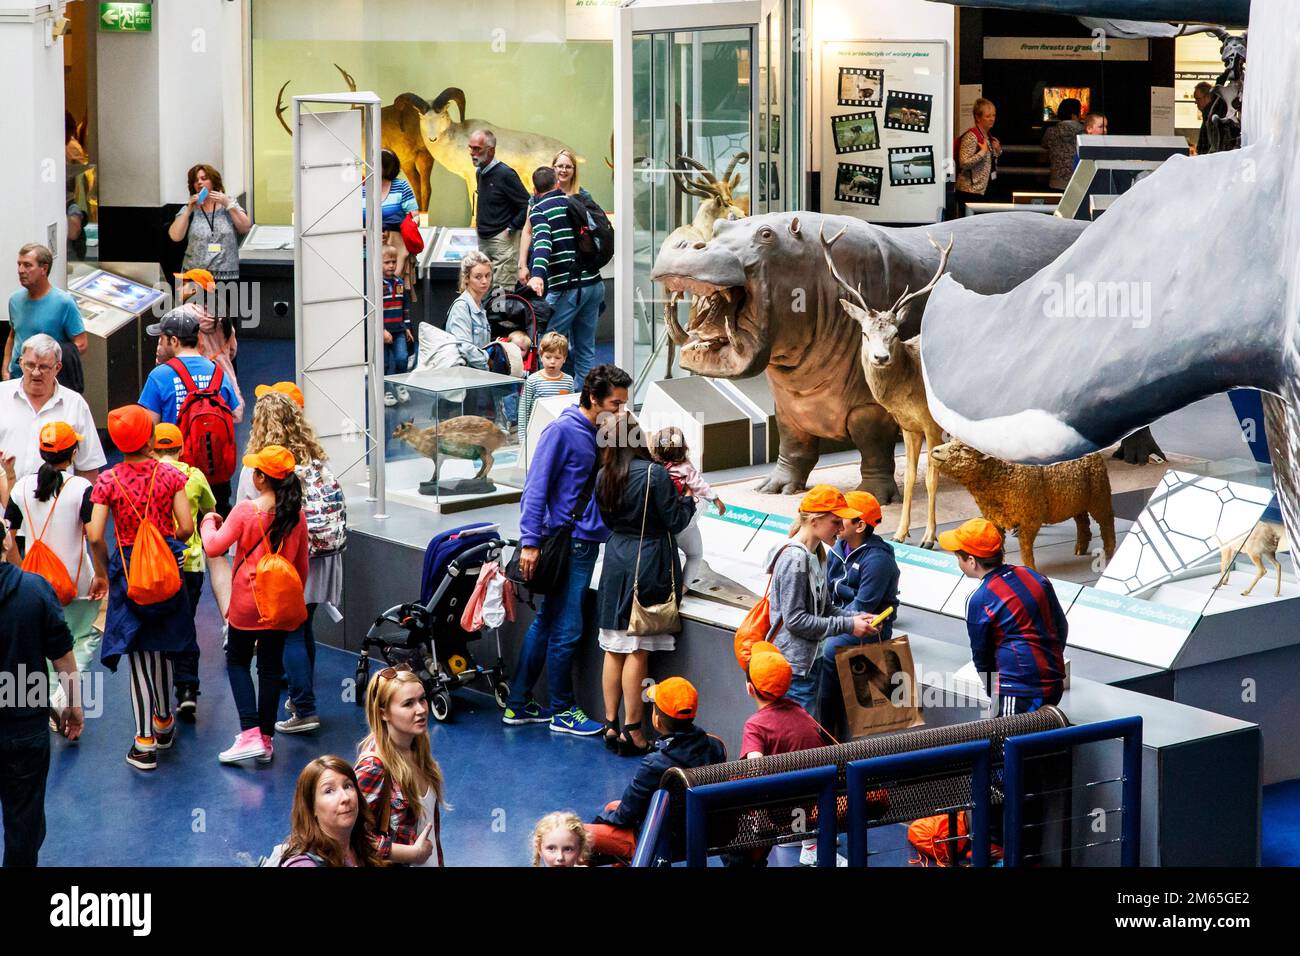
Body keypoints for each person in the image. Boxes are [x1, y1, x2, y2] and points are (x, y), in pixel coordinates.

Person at [505, 364, 631, 736]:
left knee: (547, 622)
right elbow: (536, 488)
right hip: (568, 544)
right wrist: (529, 542)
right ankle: (562, 710)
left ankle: (518, 703)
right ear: (593, 398)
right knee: (567, 628)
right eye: (614, 403)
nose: (621, 411)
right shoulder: (562, 431)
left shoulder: (605, 431)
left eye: (624, 404)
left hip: (584, 542)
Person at [86, 405, 196, 772]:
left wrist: (104, 568)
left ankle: (144, 742)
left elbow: (94, 533)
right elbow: (185, 526)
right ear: (149, 439)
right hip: (167, 568)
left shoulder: (107, 481)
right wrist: (165, 541)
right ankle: (164, 722)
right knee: (164, 645)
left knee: (139, 654)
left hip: (129, 572)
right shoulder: (169, 476)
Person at [235, 384, 343, 737]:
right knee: (304, 626)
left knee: (291, 632)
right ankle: (300, 700)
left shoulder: (262, 468)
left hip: (285, 564)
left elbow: (244, 517)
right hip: (324, 556)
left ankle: (305, 708)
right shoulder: (315, 457)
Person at [200, 445, 308, 765]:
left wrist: (208, 520)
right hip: (279, 605)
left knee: (237, 661)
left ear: (260, 479)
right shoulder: (296, 515)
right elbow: (301, 568)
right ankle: (265, 737)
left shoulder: (247, 511)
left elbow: (214, 546)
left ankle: (248, 734)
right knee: (271, 669)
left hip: (248, 604)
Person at [595, 419, 695, 756]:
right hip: (648, 559)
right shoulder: (655, 474)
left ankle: (609, 723)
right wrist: (689, 499)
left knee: (613, 647)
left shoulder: (603, 474)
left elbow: (606, 520)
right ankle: (634, 730)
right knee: (637, 647)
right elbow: (675, 520)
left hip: (616, 556)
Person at [3, 422, 106, 735]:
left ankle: (51, 700)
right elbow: (93, 536)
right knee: (86, 637)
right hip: (78, 582)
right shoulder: (81, 489)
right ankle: (64, 697)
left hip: (36, 583)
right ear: (73, 452)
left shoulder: (21, 488)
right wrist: (102, 574)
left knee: (45, 646)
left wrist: (22, 573)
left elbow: (11, 536)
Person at [0, 516, 82, 866]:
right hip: (23, 727)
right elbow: (62, 657)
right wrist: (72, 707)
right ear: (5, 542)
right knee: (25, 820)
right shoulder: (34, 590)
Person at [586, 677, 726, 865]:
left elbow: (625, 816)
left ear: (657, 720)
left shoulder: (655, 764)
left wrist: (600, 821)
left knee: (571, 835)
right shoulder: (715, 745)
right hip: (703, 832)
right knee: (612, 805)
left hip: (658, 839)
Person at [938, 518, 1068, 714]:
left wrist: (995, 694)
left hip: (1017, 692)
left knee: (1006, 743)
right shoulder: (1033, 576)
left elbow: (982, 656)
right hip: (1054, 683)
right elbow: (1061, 626)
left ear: (972, 561)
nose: (958, 561)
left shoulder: (980, 598)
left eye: (959, 557)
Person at [766, 485, 877, 712]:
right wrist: (848, 625)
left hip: (808, 662)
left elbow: (824, 608)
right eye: (836, 522)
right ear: (814, 521)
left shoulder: (817, 555)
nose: (840, 529)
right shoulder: (796, 560)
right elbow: (795, 620)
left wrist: (856, 618)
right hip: (794, 669)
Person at [139, 308, 242, 515]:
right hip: (214, 470)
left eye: (162, 339)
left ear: (174, 341)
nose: (159, 344)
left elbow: (147, 429)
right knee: (215, 530)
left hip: (174, 474)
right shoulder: (217, 372)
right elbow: (233, 411)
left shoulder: (159, 376)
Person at [739, 642, 832, 867]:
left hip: (780, 813)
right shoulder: (801, 712)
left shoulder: (755, 725)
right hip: (816, 802)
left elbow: (755, 771)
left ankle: (783, 835)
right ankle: (806, 839)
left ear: (750, 689)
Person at [818, 491, 898, 740]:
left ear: (861, 525)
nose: (836, 520)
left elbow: (863, 606)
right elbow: (826, 590)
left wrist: (828, 626)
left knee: (828, 650)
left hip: (870, 625)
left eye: (843, 517)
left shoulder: (878, 559)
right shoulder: (838, 547)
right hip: (842, 619)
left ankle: (825, 732)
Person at [151, 423, 215, 719]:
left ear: (152, 448)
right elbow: (210, 508)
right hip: (190, 563)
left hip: (156, 564)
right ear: (181, 448)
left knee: (160, 625)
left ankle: (160, 691)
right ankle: (187, 689)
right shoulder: (194, 475)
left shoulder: (148, 477)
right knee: (186, 623)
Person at [354, 665, 447, 866]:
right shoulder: (373, 767)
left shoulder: (417, 746)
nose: (421, 709)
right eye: (408, 704)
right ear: (383, 713)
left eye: (422, 699)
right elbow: (354, 839)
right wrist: (410, 854)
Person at [524, 165, 605, 388]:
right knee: (585, 348)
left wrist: (537, 274)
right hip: (594, 284)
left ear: (535, 189)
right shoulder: (574, 202)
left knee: (548, 344)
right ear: (557, 184)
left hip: (566, 289)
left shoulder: (539, 211)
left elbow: (542, 244)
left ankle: (549, 397)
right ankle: (584, 402)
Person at [0, 335, 104, 484]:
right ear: (21, 363)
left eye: (43, 367)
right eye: (30, 365)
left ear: (58, 367)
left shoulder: (75, 405)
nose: (36, 372)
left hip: (57, 504)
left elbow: (88, 468)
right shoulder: (1, 395)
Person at [651, 425, 726, 587]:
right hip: (682, 520)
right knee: (694, 555)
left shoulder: (652, 467)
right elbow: (699, 485)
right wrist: (716, 499)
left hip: (659, 520)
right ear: (683, 447)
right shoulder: (685, 467)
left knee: (664, 556)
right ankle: (683, 587)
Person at [4, 244, 87, 385]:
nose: (20, 270)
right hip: (16, 377)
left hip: (45, 381)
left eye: (27, 265)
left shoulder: (64, 303)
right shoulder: (14, 300)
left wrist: (48, 361)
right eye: (19, 265)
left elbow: (81, 344)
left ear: (44, 268)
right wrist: (5, 370)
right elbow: (13, 335)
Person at [279, 755, 383, 867]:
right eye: (329, 791)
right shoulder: (304, 864)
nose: (345, 798)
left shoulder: (360, 844)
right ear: (312, 807)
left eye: (347, 786)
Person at [167, 164, 251, 286]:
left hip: (226, 276)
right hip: (194, 276)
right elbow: (175, 236)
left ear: (213, 181)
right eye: (195, 181)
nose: (199, 183)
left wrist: (228, 204)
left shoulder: (229, 204)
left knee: (223, 305)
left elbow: (245, 227)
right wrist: (188, 210)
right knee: (194, 306)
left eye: (204, 178)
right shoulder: (189, 209)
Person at [176, 269, 242, 418]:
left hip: (193, 386)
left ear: (194, 289)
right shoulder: (223, 315)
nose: (179, 287)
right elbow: (232, 350)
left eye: (183, 284)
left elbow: (170, 350)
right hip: (223, 382)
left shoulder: (182, 315)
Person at [470, 129, 530, 289]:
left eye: (477, 149)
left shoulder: (505, 174)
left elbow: (527, 204)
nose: (472, 153)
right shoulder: (480, 172)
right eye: (470, 148)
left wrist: (511, 228)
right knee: (485, 290)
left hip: (502, 242)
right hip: (484, 240)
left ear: (491, 150)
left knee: (501, 295)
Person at [517, 330, 574, 446]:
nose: (552, 362)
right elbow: (524, 411)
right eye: (548, 357)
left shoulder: (568, 380)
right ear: (541, 356)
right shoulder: (533, 380)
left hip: (561, 433)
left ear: (564, 358)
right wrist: (523, 440)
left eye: (557, 358)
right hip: (537, 432)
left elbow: (570, 410)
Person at [377, 148, 420, 297]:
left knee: (395, 287)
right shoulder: (365, 187)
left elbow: (415, 216)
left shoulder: (401, 186)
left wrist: (410, 227)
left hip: (397, 243)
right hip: (371, 242)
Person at [444, 250, 493, 371]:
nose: (484, 281)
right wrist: (489, 364)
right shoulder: (462, 307)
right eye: (478, 277)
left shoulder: (480, 307)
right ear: (466, 279)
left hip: (477, 376)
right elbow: (464, 347)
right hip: (465, 377)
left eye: (488, 275)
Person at [954, 98, 1001, 215]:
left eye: (994, 115)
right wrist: (982, 152)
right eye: (988, 116)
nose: (992, 119)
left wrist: (998, 150)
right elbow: (963, 163)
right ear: (978, 117)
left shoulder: (988, 135)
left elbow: (989, 161)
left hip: (983, 190)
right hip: (970, 191)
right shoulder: (971, 136)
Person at [382, 247, 414, 407]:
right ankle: (385, 389)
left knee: (402, 358)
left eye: (394, 262)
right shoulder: (377, 285)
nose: (391, 265)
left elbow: (405, 306)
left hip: (399, 330)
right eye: (387, 262)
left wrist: (407, 326)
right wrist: (381, 330)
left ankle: (400, 383)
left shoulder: (399, 283)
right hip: (384, 332)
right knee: (385, 363)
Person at [1041, 98, 1084, 191]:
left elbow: (1044, 144)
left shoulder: (1051, 132)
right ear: (1074, 115)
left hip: (1056, 182)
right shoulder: (1084, 132)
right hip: (1077, 182)